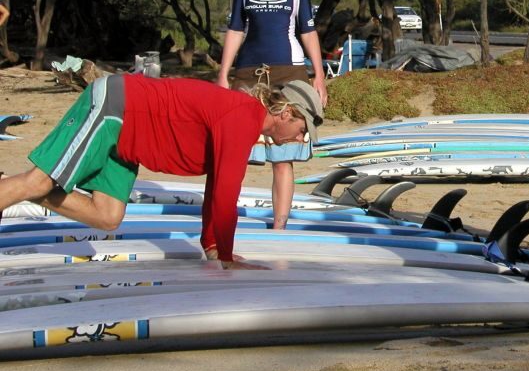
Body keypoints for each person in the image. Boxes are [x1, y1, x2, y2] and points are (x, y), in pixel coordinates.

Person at [0, 74, 324, 270]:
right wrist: (226, 257)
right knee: (38, 180)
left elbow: (216, 188)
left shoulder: (247, 124)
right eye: (302, 131)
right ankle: (17, 188)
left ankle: (10, 187)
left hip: (129, 139)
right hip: (116, 105)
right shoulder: (243, 118)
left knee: (107, 216)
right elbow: (227, 197)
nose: (300, 139)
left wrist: (212, 247)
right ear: (287, 113)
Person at [217, 0, 327, 230]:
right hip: (248, 70)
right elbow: (236, 28)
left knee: (283, 152)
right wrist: (224, 73)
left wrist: (318, 75)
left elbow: (307, 29)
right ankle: (224, 219)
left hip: (289, 69)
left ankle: (280, 225)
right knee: (236, 148)